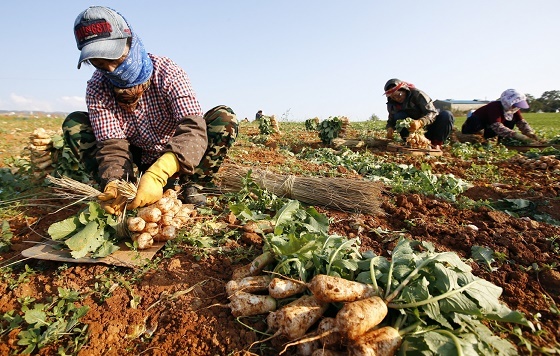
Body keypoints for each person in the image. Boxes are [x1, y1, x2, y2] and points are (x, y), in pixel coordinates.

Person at [64, 6, 238, 214]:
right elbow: (112, 145)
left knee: (224, 118)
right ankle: (123, 189)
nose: (111, 70)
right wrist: (115, 181)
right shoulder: (97, 87)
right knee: (76, 125)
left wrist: (160, 172)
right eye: (100, 64)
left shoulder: (167, 72)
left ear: (131, 42)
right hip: (137, 157)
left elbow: (192, 129)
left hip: (178, 156)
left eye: (113, 58)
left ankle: (193, 183)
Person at [383, 78, 455, 149]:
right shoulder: (392, 103)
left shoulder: (417, 94)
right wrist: (390, 128)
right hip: (412, 133)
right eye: (393, 97)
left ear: (404, 90)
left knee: (447, 115)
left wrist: (421, 122)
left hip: (429, 128)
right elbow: (391, 120)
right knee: (399, 115)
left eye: (399, 95)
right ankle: (411, 142)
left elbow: (432, 112)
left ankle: (436, 144)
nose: (397, 99)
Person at [461, 89, 542, 144]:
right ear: (508, 101)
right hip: (476, 127)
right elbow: (497, 126)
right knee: (481, 126)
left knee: (511, 120)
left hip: (489, 129)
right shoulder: (494, 107)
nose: (516, 108)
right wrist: (516, 135)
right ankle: (481, 140)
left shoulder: (513, 110)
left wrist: (529, 133)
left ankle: (501, 141)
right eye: (514, 105)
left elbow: (521, 122)